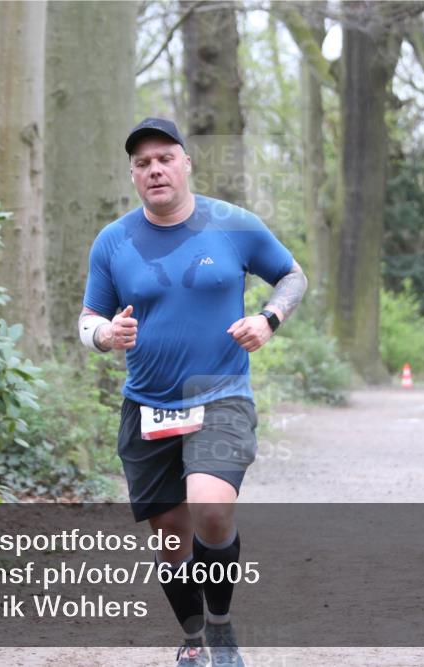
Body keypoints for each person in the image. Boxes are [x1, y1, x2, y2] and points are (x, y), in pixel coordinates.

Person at [78, 117, 307, 667]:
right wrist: (106, 335)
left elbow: (292, 276)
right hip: (147, 403)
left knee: (210, 509)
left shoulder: (233, 225)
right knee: (171, 538)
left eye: (164, 159)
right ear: (133, 175)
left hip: (220, 392)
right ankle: (192, 639)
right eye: (142, 163)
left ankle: (222, 630)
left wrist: (270, 319)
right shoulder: (114, 241)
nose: (154, 170)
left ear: (186, 164)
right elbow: (88, 319)